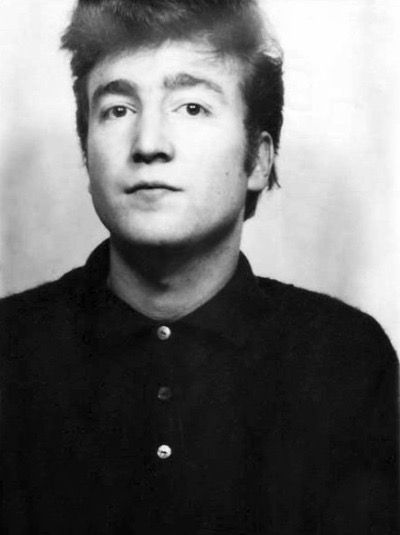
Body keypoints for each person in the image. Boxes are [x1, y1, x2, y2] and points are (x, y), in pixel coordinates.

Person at [0, 0, 398, 533]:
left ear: (258, 160)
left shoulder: (345, 359)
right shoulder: (9, 351)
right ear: (86, 156)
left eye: (191, 107)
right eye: (117, 110)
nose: (148, 145)